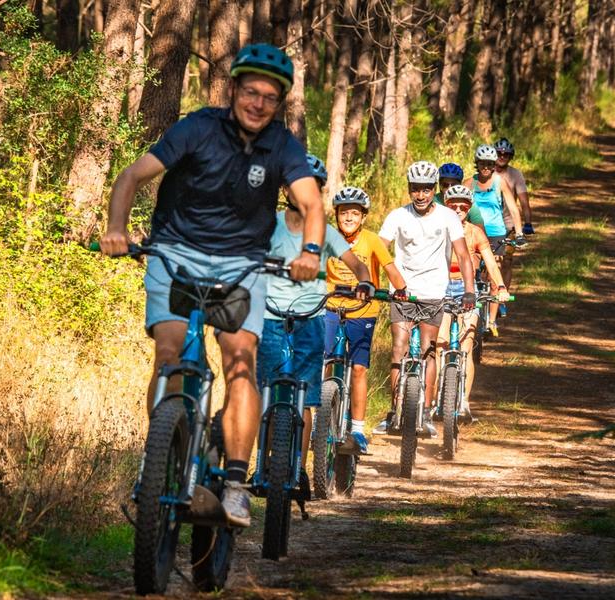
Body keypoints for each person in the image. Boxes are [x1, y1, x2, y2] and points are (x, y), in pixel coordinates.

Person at [99, 43, 325, 528]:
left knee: (241, 361)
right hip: (174, 253)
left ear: (280, 101)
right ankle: (157, 463)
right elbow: (132, 176)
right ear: (233, 90)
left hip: (241, 265)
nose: (258, 103)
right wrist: (117, 228)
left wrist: (309, 252)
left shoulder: (283, 145)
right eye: (250, 92)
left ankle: (237, 485)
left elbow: (311, 204)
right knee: (171, 354)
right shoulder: (197, 127)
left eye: (270, 96)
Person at [257, 158, 373, 484]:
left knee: (305, 399)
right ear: (285, 188)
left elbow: (356, 264)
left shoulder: (325, 230)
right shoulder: (269, 224)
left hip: (310, 320)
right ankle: (263, 464)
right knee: (265, 393)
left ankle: (300, 469)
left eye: (314, 185)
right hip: (270, 318)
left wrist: (364, 281)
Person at [374, 161, 476, 438]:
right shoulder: (397, 216)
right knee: (399, 347)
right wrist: (371, 281)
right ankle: (395, 411)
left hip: (433, 293)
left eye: (426, 189)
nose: (420, 195)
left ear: (434, 190)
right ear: (409, 189)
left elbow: (464, 255)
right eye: (415, 189)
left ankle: (427, 412)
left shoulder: (447, 217)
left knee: (429, 350)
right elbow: (377, 250)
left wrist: (469, 290)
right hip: (403, 293)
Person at [324, 186, 408, 454]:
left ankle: (358, 429)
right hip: (331, 307)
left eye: (354, 213)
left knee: (359, 368)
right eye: (343, 213)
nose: (348, 218)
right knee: (324, 362)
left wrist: (401, 289)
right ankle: (319, 420)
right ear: (336, 215)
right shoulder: (327, 238)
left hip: (362, 311)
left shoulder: (371, 241)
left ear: (363, 217)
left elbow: (389, 268)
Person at [436, 185, 510, 422]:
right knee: (439, 343)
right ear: (445, 206)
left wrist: (500, 287)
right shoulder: (437, 229)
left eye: (463, 206)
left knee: (466, 345)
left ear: (469, 208)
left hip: (468, 290)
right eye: (453, 205)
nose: (458, 209)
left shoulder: (476, 233)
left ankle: (464, 402)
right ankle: (437, 398)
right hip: (440, 287)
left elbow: (490, 262)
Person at [463, 144, 526, 336]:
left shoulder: (499, 181)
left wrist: (520, 233)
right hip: (474, 232)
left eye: (490, 164)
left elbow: (513, 208)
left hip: (497, 233)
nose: (486, 168)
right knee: (473, 273)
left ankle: (491, 321)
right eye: (483, 164)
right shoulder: (469, 183)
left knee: (494, 276)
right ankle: (469, 315)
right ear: (477, 163)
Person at [494, 137, 534, 236]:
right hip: (488, 223)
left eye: (506, 155)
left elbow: (524, 202)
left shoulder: (516, 174)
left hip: (508, 224)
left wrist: (528, 223)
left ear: (510, 157)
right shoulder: (486, 173)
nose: (502, 157)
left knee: (505, 251)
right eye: (499, 154)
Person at [436, 162, 485, 231]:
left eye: (454, 185)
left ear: (460, 185)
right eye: (445, 185)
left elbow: (480, 231)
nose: (449, 188)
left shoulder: (469, 202)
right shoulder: (433, 202)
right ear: (440, 186)